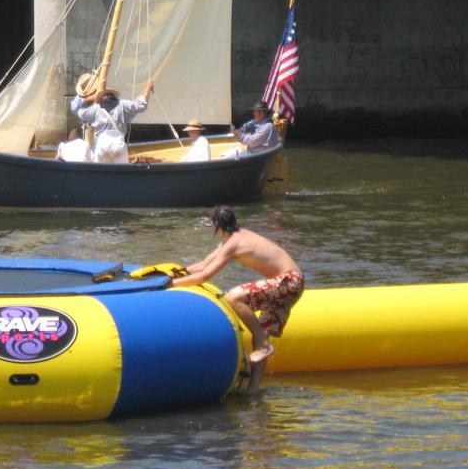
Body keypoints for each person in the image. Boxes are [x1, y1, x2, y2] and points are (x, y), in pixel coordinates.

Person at [171, 205, 303, 392]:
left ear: (216, 226)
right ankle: (253, 391)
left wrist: (171, 285)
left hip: (288, 281)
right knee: (261, 337)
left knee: (235, 297)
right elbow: (203, 265)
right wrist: (175, 273)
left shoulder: (233, 243)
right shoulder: (235, 238)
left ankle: (263, 344)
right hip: (291, 284)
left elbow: (205, 276)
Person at [70, 74, 154, 163]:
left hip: (102, 144)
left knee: (98, 173)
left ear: (102, 97)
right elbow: (141, 105)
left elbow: (75, 109)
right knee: (123, 173)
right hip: (119, 144)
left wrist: (86, 99)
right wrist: (148, 88)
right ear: (114, 96)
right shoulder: (123, 104)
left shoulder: (95, 109)